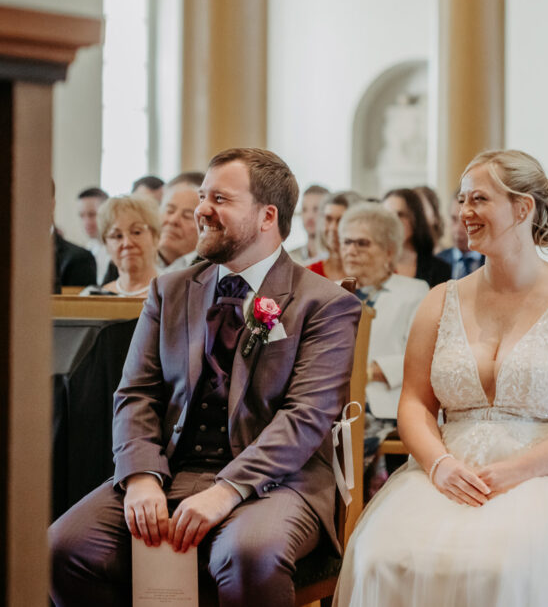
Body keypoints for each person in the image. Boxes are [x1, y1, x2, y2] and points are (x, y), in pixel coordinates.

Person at [49, 148, 363, 607]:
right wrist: (141, 476)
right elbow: (136, 393)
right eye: (202, 196)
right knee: (64, 548)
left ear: (267, 216)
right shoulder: (170, 290)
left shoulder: (325, 303)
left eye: (220, 198)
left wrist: (227, 490)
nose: (201, 210)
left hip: (278, 481)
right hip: (170, 471)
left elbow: (306, 417)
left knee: (249, 554)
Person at [334, 149, 548, 606]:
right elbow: (414, 402)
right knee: (378, 556)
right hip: (450, 471)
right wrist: (439, 465)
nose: (464, 212)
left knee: (502, 566)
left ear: (523, 208)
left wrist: (518, 470)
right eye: (461, 200)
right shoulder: (439, 300)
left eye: (479, 199)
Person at [338, 202, 429, 422]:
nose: (351, 251)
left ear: (389, 251)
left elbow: (423, 357)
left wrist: (367, 372)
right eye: (347, 242)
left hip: (388, 408)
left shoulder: (415, 292)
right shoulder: (329, 293)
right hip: (334, 406)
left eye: (362, 243)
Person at [81, 195, 161, 299]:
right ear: (106, 245)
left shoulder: (176, 294)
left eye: (136, 232)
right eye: (117, 236)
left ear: (155, 237)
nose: (127, 243)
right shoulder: (91, 297)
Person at [382, 188, 452, 288]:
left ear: (416, 219)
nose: (394, 221)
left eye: (401, 214)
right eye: (388, 215)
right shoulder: (372, 264)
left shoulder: (440, 269)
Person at [157, 172, 204, 274]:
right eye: (169, 211)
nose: (173, 220)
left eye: (187, 216)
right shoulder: (133, 261)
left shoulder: (211, 273)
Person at [309, 192, 360, 282]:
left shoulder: (364, 274)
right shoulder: (310, 273)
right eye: (328, 219)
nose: (333, 228)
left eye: (340, 220)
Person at [436, 193, 484, 279]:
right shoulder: (438, 262)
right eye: (454, 219)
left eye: (466, 221)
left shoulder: (494, 262)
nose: (458, 229)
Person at [77, 187, 114, 283]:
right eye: (82, 215)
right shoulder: (89, 248)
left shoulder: (118, 252)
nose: (86, 222)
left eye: (92, 214)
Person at [289, 184, 330, 264]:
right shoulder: (289, 259)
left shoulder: (339, 259)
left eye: (316, 209)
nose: (309, 216)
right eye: (304, 209)